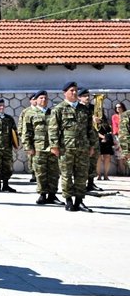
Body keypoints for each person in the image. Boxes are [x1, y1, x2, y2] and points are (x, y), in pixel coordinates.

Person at [48, 82, 97, 212]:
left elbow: (90, 129)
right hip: (66, 148)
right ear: (65, 93)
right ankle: (68, 200)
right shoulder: (59, 109)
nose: (74, 93)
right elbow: (53, 129)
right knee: (66, 175)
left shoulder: (84, 109)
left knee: (82, 175)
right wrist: (54, 146)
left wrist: (92, 145)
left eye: (75, 90)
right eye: (71, 91)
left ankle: (79, 201)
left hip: (83, 148)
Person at [22, 91, 62, 205]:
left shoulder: (53, 113)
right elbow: (27, 132)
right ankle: (42, 194)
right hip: (38, 148)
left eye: (45, 98)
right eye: (41, 98)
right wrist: (28, 147)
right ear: (36, 100)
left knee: (54, 172)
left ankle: (52, 195)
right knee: (40, 172)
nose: (43, 100)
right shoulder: (30, 113)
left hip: (52, 147)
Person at [78, 89, 102, 192]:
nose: (87, 97)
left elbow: (103, 124)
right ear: (79, 97)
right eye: (84, 96)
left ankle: (91, 183)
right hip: (82, 139)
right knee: (82, 162)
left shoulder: (94, 108)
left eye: (88, 95)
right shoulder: (77, 108)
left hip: (94, 138)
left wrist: (99, 121)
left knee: (93, 161)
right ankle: (80, 184)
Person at [19, 94, 39, 183]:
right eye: (33, 99)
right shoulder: (26, 111)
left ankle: (39, 174)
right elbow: (20, 124)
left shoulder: (41, 110)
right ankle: (33, 174)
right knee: (31, 157)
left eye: (36, 99)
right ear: (30, 101)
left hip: (39, 139)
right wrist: (22, 136)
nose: (35, 101)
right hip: (29, 138)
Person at [96, 114, 114, 181]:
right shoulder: (93, 122)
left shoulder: (106, 123)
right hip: (98, 141)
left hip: (107, 142)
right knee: (98, 158)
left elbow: (109, 131)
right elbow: (95, 131)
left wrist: (106, 138)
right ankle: (99, 175)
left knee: (107, 157)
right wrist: (103, 137)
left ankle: (106, 175)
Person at [113, 102, 127, 176]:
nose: (118, 109)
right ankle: (123, 172)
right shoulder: (114, 116)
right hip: (118, 137)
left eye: (119, 107)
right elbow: (115, 127)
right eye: (117, 107)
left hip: (127, 136)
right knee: (119, 155)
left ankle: (127, 171)